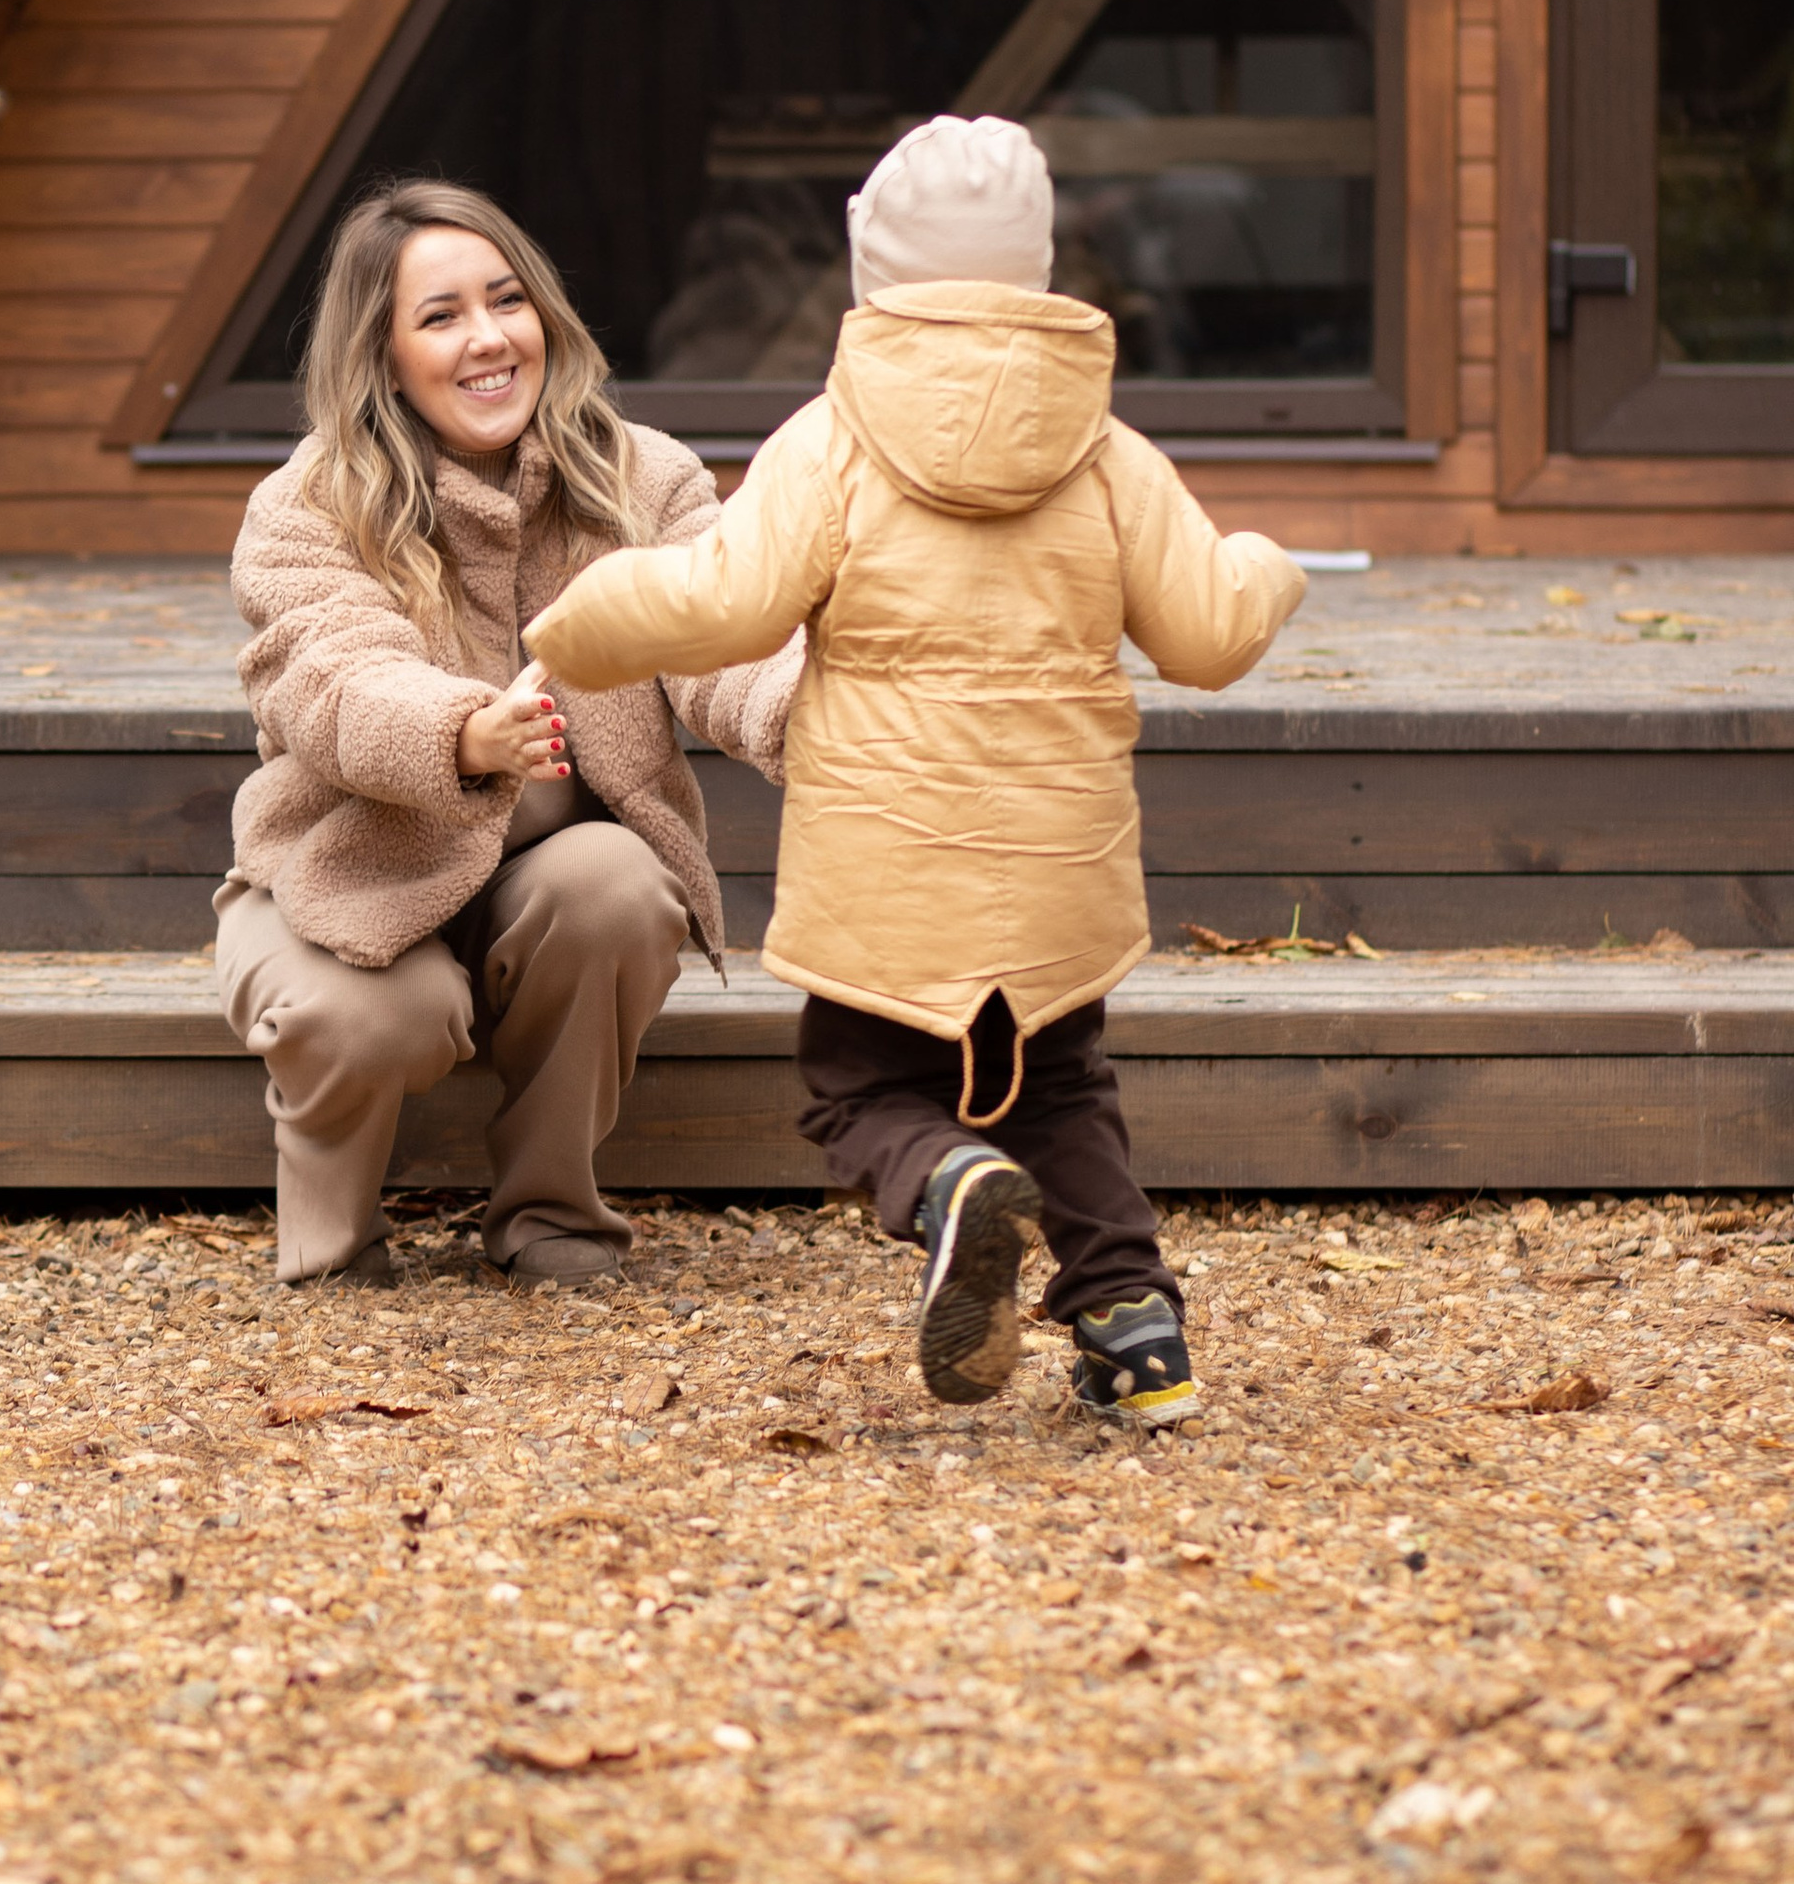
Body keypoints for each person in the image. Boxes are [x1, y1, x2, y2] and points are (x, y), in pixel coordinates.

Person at [524, 113, 1306, 1428]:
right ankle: (1139, 1333)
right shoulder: (1111, 453)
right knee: (1061, 1087)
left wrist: (574, 626)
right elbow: (1209, 637)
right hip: (1058, 864)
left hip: (889, 855)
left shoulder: (830, 439)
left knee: (861, 1092)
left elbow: (728, 603)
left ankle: (946, 1184)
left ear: (872, 268)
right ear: (1039, 271)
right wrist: (1269, 568)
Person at [215, 180, 803, 1288]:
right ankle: (332, 1251)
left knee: (618, 881)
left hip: (546, 887)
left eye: (506, 301)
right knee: (383, 1015)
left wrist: (817, 719)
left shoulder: (647, 477)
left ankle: (553, 1221)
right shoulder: (309, 504)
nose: (487, 339)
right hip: (341, 879)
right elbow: (331, 675)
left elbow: (726, 639)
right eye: (440, 317)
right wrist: (461, 732)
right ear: (382, 355)